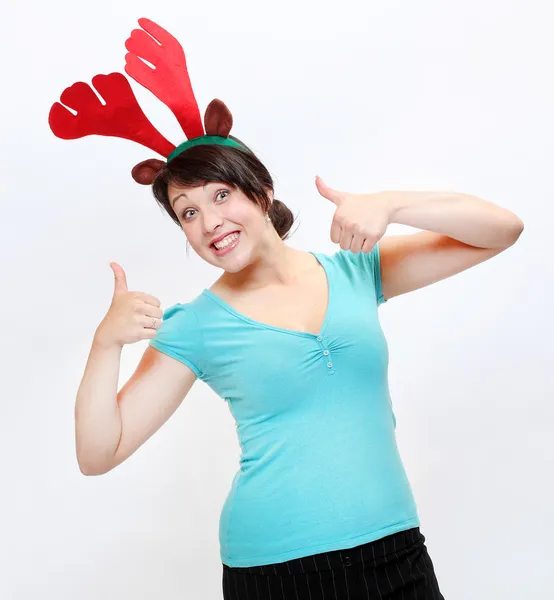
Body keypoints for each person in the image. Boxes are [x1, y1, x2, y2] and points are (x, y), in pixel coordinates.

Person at [55, 18, 524, 600]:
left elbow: (500, 231)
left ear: (262, 193)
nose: (210, 223)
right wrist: (106, 345)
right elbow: (99, 453)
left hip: (398, 550)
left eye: (221, 195)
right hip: (278, 573)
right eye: (188, 212)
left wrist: (393, 203)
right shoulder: (196, 326)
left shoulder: (356, 271)